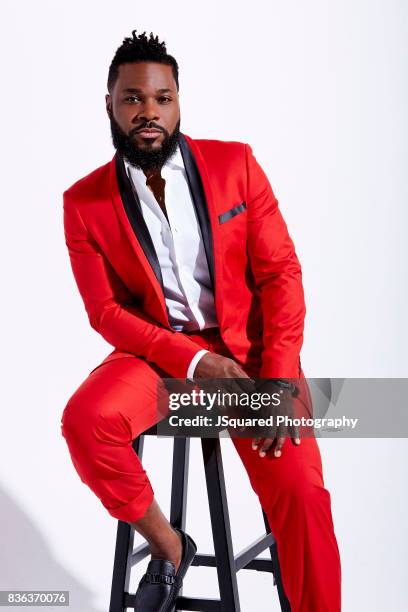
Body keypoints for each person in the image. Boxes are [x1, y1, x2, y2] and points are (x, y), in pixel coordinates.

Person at [60, 29, 341, 611]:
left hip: (250, 357)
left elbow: (281, 274)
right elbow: (105, 311)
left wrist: (281, 377)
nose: (148, 112)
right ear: (109, 105)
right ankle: (169, 549)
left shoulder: (234, 164)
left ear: (179, 102)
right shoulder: (83, 202)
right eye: (132, 98)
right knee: (88, 421)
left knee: (301, 492)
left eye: (162, 98)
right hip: (160, 354)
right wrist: (191, 359)